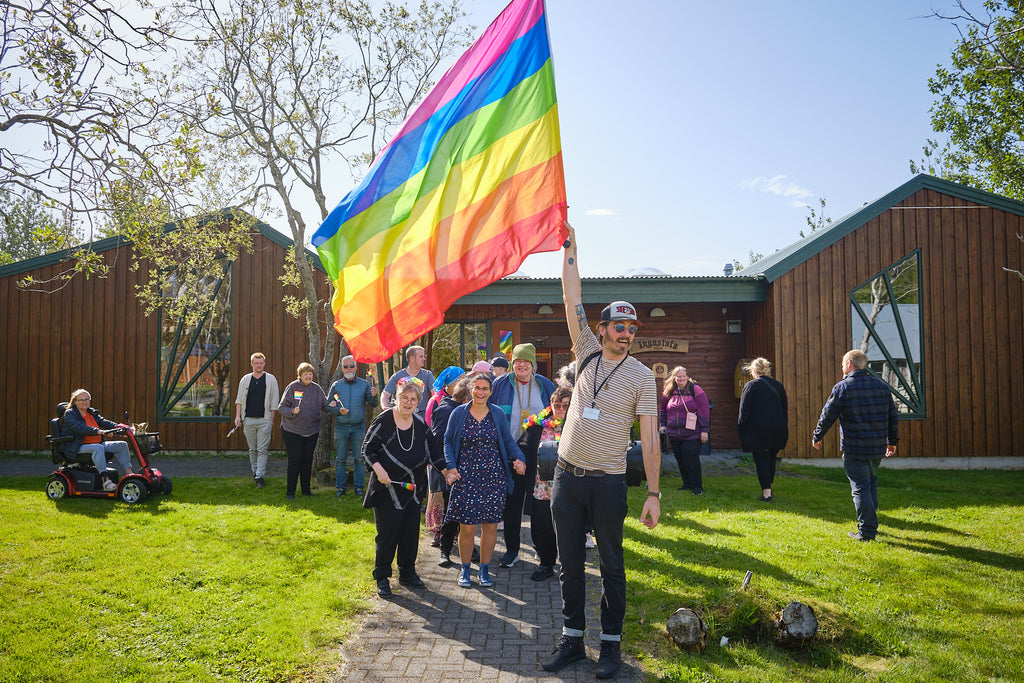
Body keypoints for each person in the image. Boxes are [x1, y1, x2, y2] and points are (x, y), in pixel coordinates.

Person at [545, 223, 661, 679]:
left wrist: (653, 492)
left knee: (612, 565)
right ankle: (573, 639)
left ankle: (610, 646)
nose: (627, 333)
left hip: (610, 483)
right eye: (620, 325)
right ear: (603, 328)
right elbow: (572, 294)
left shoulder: (642, 376)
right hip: (566, 478)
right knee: (569, 564)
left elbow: (650, 439)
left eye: (633, 327)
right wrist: (571, 248)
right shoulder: (586, 351)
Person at [362, 377, 448, 597]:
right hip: (387, 488)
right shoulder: (384, 420)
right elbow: (367, 449)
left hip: (413, 489)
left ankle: (408, 573)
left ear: (418, 402)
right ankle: (382, 576)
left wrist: (447, 471)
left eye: (413, 399)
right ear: (396, 398)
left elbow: (434, 453)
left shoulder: (420, 424)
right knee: (387, 534)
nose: (408, 403)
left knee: (410, 533)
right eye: (404, 398)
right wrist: (379, 470)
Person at [443, 374, 526, 589]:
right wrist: (451, 466)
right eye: (477, 388)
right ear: (471, 389)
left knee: (490, 526)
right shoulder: (458, 413)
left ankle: (484, 568)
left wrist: (520, 458)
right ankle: (465, 568)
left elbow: (507, 440)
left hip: (494, 477)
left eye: (485, 389)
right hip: (466, 476)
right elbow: (448, 441)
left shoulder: (497, 413)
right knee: (468, 527)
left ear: (491, 391)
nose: (480, 392)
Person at [812, 349, 899, 541]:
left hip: (855, 447)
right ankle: (871, 521)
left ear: (849, 364)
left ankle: (867, 531)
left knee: (860, 487)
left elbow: (828, 415)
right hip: (877, 447)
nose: (842, 368)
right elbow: (892, 417)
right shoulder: (882, 386)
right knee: (871, 483)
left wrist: (817, 435)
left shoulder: (843, 387)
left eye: (843, 364)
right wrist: (892, 442)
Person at [490, 342, 557, 567]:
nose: (521, 365)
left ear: (533, 364)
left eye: (526, 361)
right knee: (511, 505)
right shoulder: (500, 384)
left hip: (540, 456)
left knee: (540, 506)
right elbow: (492, 416)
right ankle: (512, 550)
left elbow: (557, 416)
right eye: (517, 360)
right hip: (510, 453)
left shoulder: (545, 386)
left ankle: (542, 549)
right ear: (512, 363)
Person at [518, 385, 572, 581]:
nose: (561, 409)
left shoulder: (578, 425)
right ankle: (546, 563)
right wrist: (519, 460)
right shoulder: (538, 425)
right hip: (541, 486)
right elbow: (523, 446)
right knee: (541, 526)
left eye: (565, 406)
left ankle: (569, 566)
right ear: (550, 405)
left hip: (568, 487)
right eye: (557, 405)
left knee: (568, 527)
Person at [429, 375, 473, 567]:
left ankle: (468, 546)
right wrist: (446, 468)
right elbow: (436, 441)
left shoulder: (468, 410)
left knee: (467, 513)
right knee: (451, 513)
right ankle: (445, 551)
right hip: (451, 471)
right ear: (465, 398)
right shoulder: (447, 410)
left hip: (468, 469)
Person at [737, 357, 789, 502]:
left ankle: (767, 493)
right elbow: (784, 408)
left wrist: (741, 429)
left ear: (753, 370)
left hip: (759, 430)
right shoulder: (778, 385)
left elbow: (744, 412)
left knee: (761, 460)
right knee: (771, 458)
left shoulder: (751, 386)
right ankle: (769, 487)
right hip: (778, 428)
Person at [326, 355, 379, 498]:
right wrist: (337, 410)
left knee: (359, 459)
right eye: (346, 366)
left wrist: (374, 395)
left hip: (358, 428)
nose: (349, 368)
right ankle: (340, 488)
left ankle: (359, 488)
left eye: (351, 366)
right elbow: (327, 405)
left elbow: (373, 403)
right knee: (340, 459)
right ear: (342, 369)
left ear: (356, 367)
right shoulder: (336, 385)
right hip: (341, 427)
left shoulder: (365, 384)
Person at [62, 389, 133, 491]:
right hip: (77, 446)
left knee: (122, 445)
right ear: (75, 402)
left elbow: (104, 422)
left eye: (87, 399)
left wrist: (120, 426)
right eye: (81, 400)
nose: (85, 402)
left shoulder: (91, 412)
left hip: (96, 443)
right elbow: (80, 428)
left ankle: (129, 475)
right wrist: (100, 432)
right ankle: (105, 481)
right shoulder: (70, 414)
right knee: (98, 447)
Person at [278, 362, 328, 500]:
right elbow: (281, 407)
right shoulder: (293, 387)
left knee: (307, 461)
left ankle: (306, 490)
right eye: (305, 374)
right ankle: (290, 492)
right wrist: (292, 411)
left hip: (311, 431)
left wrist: (332, 405)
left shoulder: (316, 389)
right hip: (292, 431)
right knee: (295, 461)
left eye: (310, 373)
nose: (308, 376)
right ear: (300, 375)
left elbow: (325, 405)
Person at [659, 366, 710, 495]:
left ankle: (697, 487)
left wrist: (704, 430)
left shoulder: (695, 390)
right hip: (674, 434)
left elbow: (704, 410)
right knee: (681, 460)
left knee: (690, 458)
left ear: (687, 377)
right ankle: (686, 484)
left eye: (683, 376)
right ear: (674, 378)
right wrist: (662, 425)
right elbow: (663, 409)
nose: (681, 379)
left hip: (692, 433)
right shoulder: (669, 391)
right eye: (678, 376)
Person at [233, 352, 280, 488]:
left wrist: (271, 417)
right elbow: (239, 400)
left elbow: (274, 400)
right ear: (252, 364)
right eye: (256, 363)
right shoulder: (245, 379)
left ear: (264, 364)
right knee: (252, 449)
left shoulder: (271, 379)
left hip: (264, 420)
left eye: (261, 363)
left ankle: (260, 476)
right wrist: (238, 417)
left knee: (262, 449)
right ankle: (254, 472)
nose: (259, 365)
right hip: (248, 419)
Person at [380, 345, 435, 417]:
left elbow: (436, 393)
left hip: (420, 415)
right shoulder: (398, 376)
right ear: (412, 358)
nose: (424, 359)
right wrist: (385, 408)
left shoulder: (428, 375)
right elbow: (385, 394)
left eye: (424, 356)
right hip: (399, 414)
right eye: (421, 356)